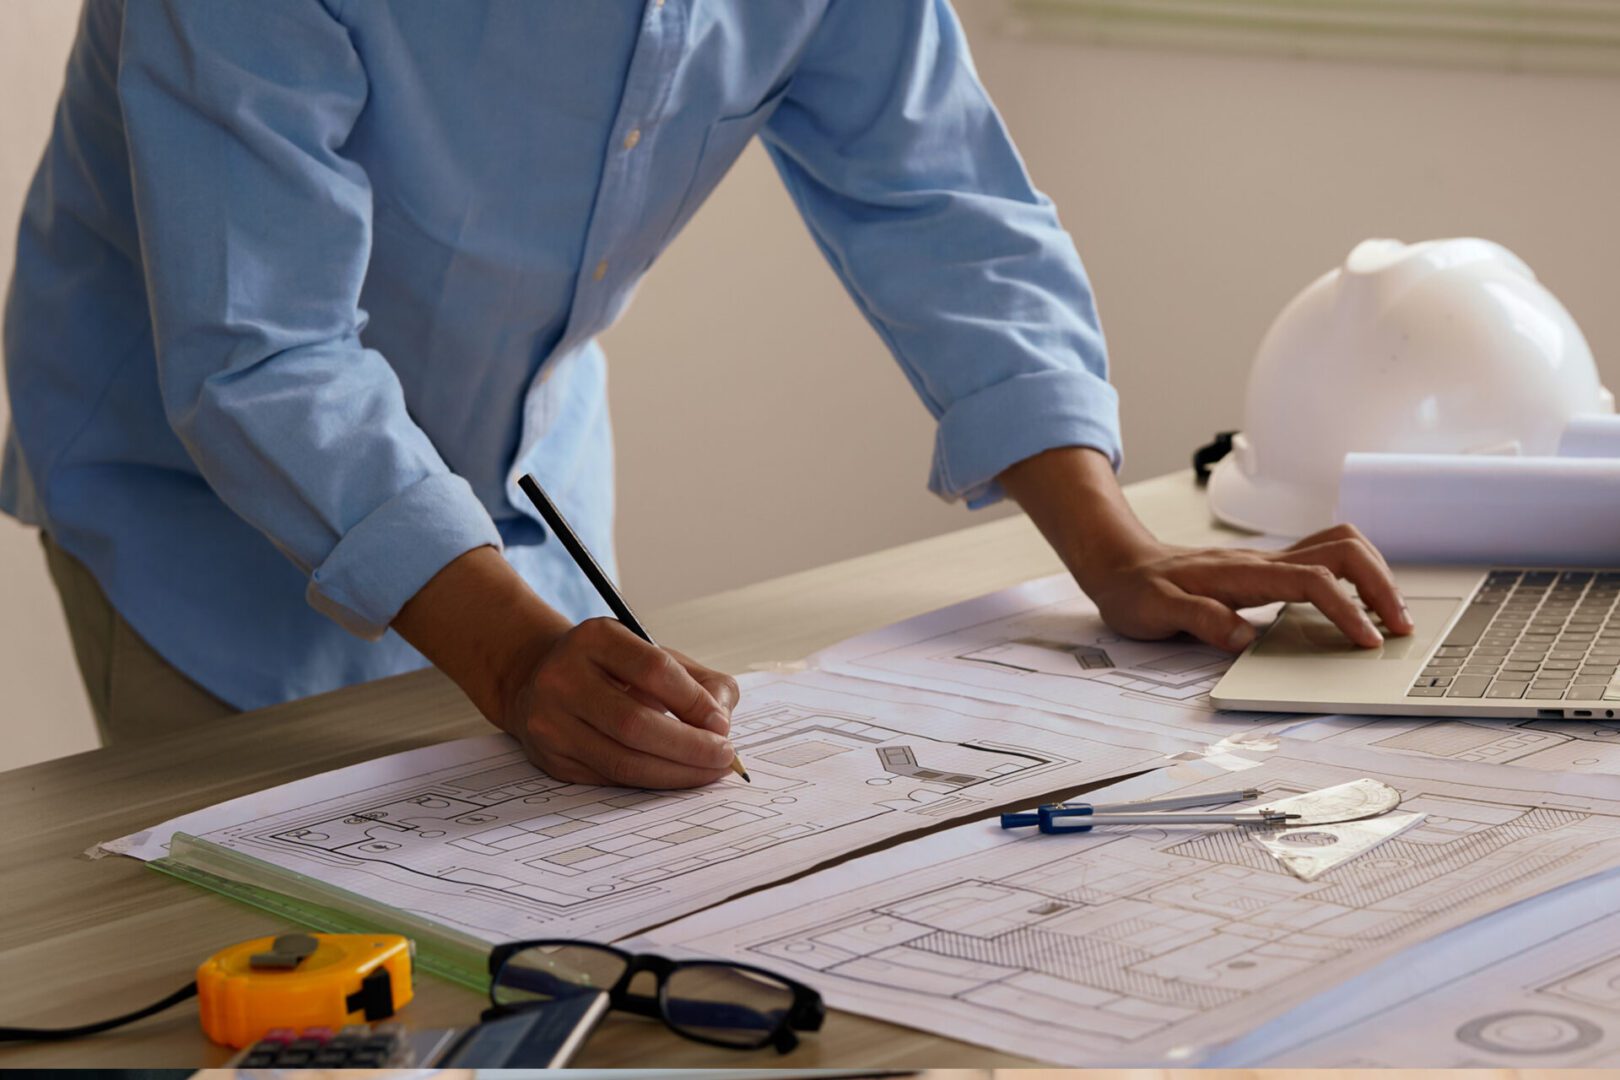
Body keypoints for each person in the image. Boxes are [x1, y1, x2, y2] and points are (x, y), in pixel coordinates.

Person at [2, 0, 1410, 788]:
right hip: (198, 506)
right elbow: (261, 352)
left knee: (541, 934)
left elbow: (941, 202)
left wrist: (1118, 548)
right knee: (284, 983)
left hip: (526, 467)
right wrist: (510, 655)